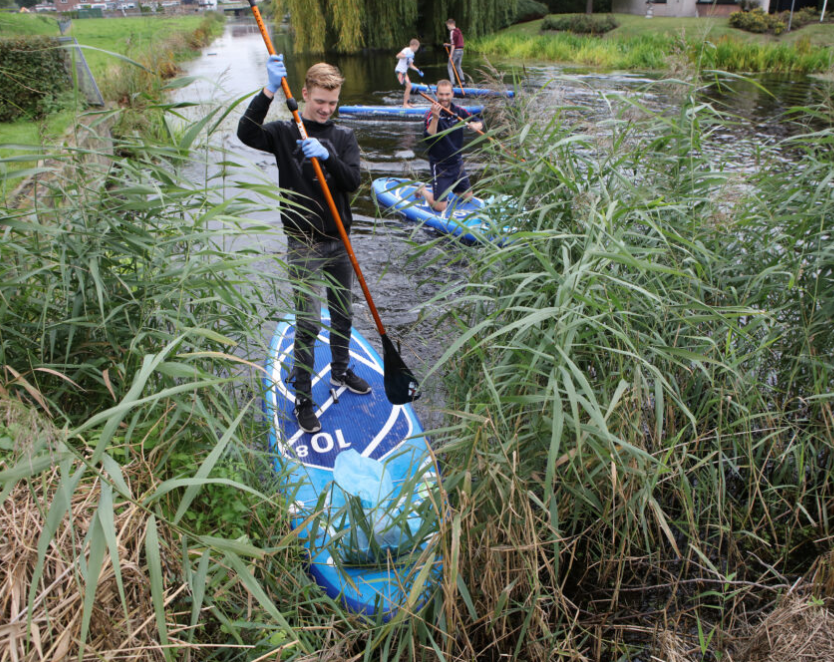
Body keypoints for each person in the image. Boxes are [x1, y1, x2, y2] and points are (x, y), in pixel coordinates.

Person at [237, 54, 371, 434]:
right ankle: (302, 400)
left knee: (343, 314)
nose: (326, 109)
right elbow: (246, 133)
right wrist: (266, 91)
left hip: (339, 242)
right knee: (309, 322)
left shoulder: (343, 137)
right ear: (304, 94)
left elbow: (352, 183)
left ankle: (341, 371)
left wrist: (327, 157)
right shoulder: (284, 132)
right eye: (319, 102)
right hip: (304, 244)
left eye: (333, 103)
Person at [419, 79, 483, 213]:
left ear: (452, 94)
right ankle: (423, 190)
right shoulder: (431, 114)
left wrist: (474, 126)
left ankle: (450, 188)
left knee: (468, 198)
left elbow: (479, 122)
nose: (444, 98)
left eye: (447, 94)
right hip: (440, 164)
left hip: (457, 162)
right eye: (441, 94)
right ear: (436, 94)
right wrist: (436, 118)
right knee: (440, 207)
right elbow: (429, 138)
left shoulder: (459, 111)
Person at [395, 38, 423, 108]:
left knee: (409, 86)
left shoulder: (412, 53)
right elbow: (398, 56)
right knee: (409, 86)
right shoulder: (406, 50)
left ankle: (408, 103)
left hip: (404, 71)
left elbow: (410, 65)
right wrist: (406, 56)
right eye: (417, 47)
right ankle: (405, 104)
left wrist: (418, 70)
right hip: (399, 71)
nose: (417, 49)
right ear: (414, 45)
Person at [444, 18, 465, 86]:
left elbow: (453, 45)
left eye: (448, 26)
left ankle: (453, 83)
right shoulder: (459, 31)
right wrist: (448, 44)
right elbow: (457, 43)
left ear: (452, 24)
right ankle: (463, 82)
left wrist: (450, 55)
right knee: (458, 66)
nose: (448, 28)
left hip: (455, 51)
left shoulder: (452, 32)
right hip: (461, 51)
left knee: (449, 66)